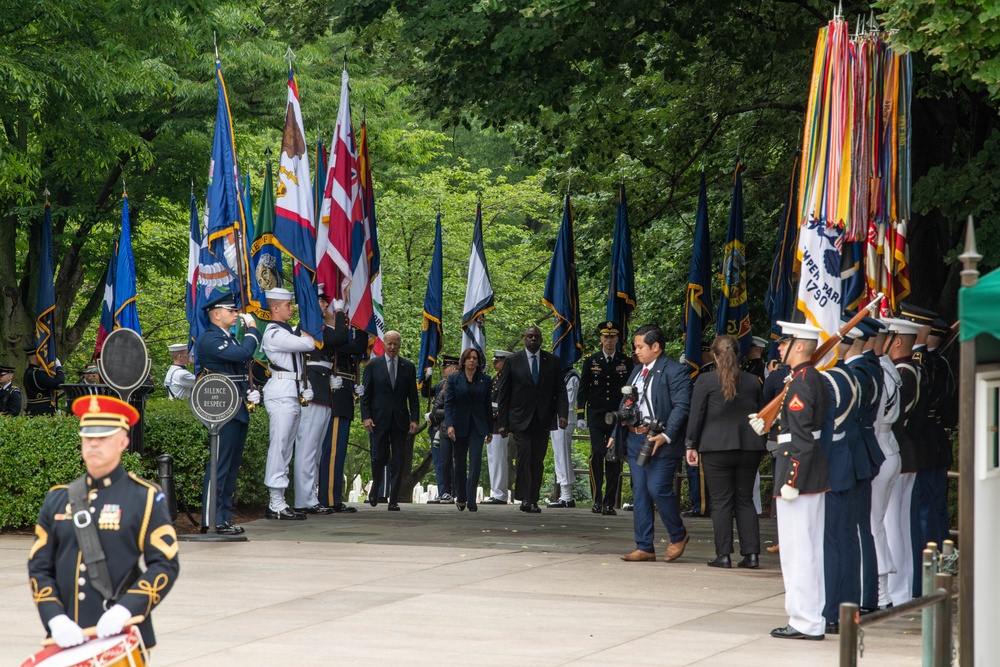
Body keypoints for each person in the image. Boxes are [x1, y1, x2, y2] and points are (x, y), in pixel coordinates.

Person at [28, 395, 179, 649]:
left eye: (103, 437)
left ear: (123, 442)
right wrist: (54, 618)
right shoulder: (58, 498)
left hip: (122, 637)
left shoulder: (144, 497)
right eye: (88, 438)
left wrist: (126, 609)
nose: (94, 444)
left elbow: (164, 565)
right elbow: (40, 567)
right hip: (66, 637)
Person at [764, 321, 829, 641]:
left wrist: (792, 480)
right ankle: (810, 616)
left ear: (800, 346)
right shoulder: (807, 378)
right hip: (808, 473)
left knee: (798, 550)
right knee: (806, 548)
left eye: (785, 342)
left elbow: (801, 439)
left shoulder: (803, 382)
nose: (779, 346)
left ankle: (805, 620)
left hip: (798, 475)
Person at [610, 324, 691, 563]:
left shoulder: (675, 371)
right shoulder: (636, 371)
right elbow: (626, 402)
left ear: (655, 346)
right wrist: (617, 431)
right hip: (635, 437)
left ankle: (678, 535)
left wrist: (665, 436)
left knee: (657, 488)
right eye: (636, 347)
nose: (636, 351)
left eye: (640, 347)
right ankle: (644, 545)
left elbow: (681, 407)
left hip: (661, 439)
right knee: (640, 491)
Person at [685, 335, 764, 569]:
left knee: (720, 502)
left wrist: (690, 444)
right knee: (745, 500)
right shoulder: (752, 381)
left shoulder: (706, 381)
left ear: (715, 355)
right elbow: (762, 413)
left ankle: (724, 555)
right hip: (749, 447)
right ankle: (751, 555)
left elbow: (696, 415)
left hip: (716, 447)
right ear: (738, 354)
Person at [194, 288, 261, 535]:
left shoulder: (229, 338)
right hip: (221, 411)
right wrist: (253, 329)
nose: (236, 314)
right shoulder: (210, 339)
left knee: (231, 468)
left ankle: (223, 518)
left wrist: (248, 392)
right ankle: (210, 519)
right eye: (231, 311)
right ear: (215, 315)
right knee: (219, 465)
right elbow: (244, 353)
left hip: (236, 407)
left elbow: (237, 368)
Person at [497, 325, 569, 513]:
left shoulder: (552, 361)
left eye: (536, 337)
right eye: (529, 336)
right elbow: (503, 394)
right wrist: (502, 423)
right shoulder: (513, 361)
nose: (533, 339)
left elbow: (560, 390)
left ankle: (534, 499)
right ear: (524, 339)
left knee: (537, 460)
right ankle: (525, 498)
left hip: (542, 419)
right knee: (524, 457)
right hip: (520, 419)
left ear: (541, 340)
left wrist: (562, 414)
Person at [261, 287, 317, 520]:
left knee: (286, 449)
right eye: (287, 305)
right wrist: (310, 324)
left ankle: (281, 500)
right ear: (275, 308)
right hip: (281, 394)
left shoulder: (286, 331)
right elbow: (308, 345)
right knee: (280, 447)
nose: (291, 308)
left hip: (291, 392)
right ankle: (275, 502)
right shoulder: (273, 332)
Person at [317, 294, 369, 513]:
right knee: (331, 449)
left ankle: (334, 496)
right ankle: (328, 498)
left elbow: (359, 347)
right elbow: (356, 345)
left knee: (339, 449)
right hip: (334, 393)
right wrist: (343, 319)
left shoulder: (339, 334)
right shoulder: (323, 332)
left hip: (344, 392)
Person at [884, 317, 923, 605]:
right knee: (898, 523)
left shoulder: (903, 372)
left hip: (898, 447)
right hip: (905, 451)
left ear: (896, 341)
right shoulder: (909, 369)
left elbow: (896, 418)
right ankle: (903, 588)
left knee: (892, 524)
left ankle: (898, 591)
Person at [360, 330, 420, 511]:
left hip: (400, 421)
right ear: (383, 345)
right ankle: (376, 487)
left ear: (399, 345)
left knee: (399, 460)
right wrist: (366, 417)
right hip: (378, 420)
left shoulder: (408, 366)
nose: (392, 347)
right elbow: (366, 395)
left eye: (395, 343)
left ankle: (393, 498)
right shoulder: (373, 365)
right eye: (389, 344)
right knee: (378, 457)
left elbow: (413, 397)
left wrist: (414, 419)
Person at [577, 322, 632, 515]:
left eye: (612, 337)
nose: (609, 341)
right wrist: (580, 414)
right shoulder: (591, 360)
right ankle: (597, 499)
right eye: (606, 337)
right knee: (598, 453)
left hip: (617, 417)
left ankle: (609, 502)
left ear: (617, 339)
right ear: (601, 339)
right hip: (596, 416)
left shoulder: (625, 361)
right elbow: (583, 389)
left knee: (614, 457)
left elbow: (630, 391)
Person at [871, 317, 903, 609]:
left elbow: (874, 419)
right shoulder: (889, 368)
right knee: (877, 522)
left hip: (879, 449)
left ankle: (880, 592)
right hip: (889, 447)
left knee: (872, 523)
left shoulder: (878, 372)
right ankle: (881, 591)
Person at [445, 347, 493, 511]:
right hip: (459, 425)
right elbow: (449, 404)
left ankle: (471, 498)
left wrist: (490, 429)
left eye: (475, 358)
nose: (472, 360)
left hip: (478, 426)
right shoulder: (453, 379)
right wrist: (450, 425)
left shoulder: (485, 380)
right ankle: (461, 496)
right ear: (464, 361)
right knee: (459, 462)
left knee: (475, 461)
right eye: (469, 358)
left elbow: (487, 406)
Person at [425, 355, 460, 504]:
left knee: (457, 461)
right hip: (440, 428)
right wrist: (426, 378)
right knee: (442, 462)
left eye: (446, 367)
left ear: (454, 368)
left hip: (457, 427)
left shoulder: (460, 384)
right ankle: (444, 491)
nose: (443, 369)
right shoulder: (441, 385)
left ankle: (456, 492)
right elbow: (426, 394)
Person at [483, 350, 512, 504]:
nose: (494, 363)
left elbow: (508, 402)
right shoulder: (495, 379)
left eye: (497, 360)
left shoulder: (508, 379)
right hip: (491, 421)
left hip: (500, 421)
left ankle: (500, 493)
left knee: (499, 458)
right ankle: (495, 491)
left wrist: (497, 414)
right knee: (492, 458)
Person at [549, 364, 580, 507]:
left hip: (564, 418)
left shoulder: (571, 376)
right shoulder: (560, 374)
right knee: (558, 456)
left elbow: (568, 402)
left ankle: (567, 496)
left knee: (563, 456)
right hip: (555, 418)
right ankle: (564, 494)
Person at [23, 345, 66, 416]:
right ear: (38, 357)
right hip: (42, 411)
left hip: (32, 409)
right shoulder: (38, 374)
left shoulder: (28, 371)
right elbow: (58, 384)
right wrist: (59, 368)